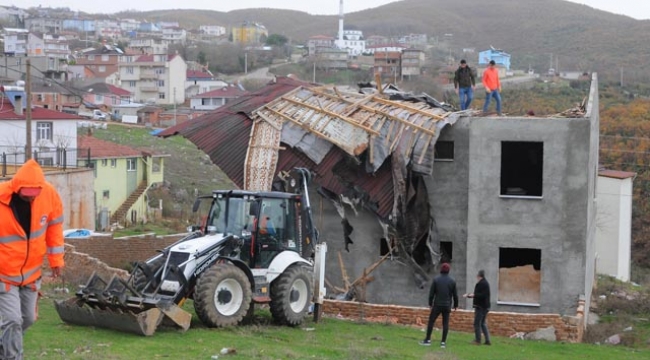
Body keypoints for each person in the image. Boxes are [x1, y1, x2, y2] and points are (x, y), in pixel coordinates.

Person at [0, 159, 65, 360]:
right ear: (17, 187)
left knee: (27, 319)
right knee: (12, 320)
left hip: (31, 274)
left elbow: (54, 229)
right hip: (4, 275)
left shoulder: (49, 195)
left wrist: (56, 261)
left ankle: (5, 346)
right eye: (26, 196)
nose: (30, 200)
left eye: (33, 196)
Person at [420, 263, 458, 349]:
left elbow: (431, 293)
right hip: (447, 305)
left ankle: (427, 340)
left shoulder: (436, 280)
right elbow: (455, 295)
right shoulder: (452, 281)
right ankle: (443, 342)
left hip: (437, 304)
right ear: (448, 270)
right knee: (445, 323)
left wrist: (430, 304)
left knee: (431, 321)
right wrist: (456, 305)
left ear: (441, 270)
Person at [463, 270, 491, 345]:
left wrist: (473, 295)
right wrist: (470, 295)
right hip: (485, 306)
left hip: (481, 307)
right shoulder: (485, 283)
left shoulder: (482, 284)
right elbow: (480, 294)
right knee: (482, 323)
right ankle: (487, 340)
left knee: (477, 323)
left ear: (479, 276)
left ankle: (478, 340)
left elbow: (481, 295)